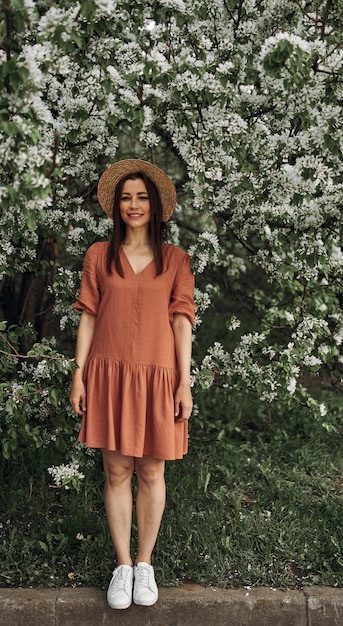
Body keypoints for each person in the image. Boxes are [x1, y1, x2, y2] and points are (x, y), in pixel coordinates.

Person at [69, 159, 195, 610]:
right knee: (117, 471)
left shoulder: (177, 260)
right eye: (126, 197)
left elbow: (182, 323)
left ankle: (146, 564)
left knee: (152, 471)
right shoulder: (98, 255)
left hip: (159, 375)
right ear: (116, 206)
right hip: (108, 372)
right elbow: (87, 315)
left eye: (142, 197)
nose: (134, 205)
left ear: (156, 205)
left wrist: (184, 382)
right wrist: (78, 373)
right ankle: (122, 566)